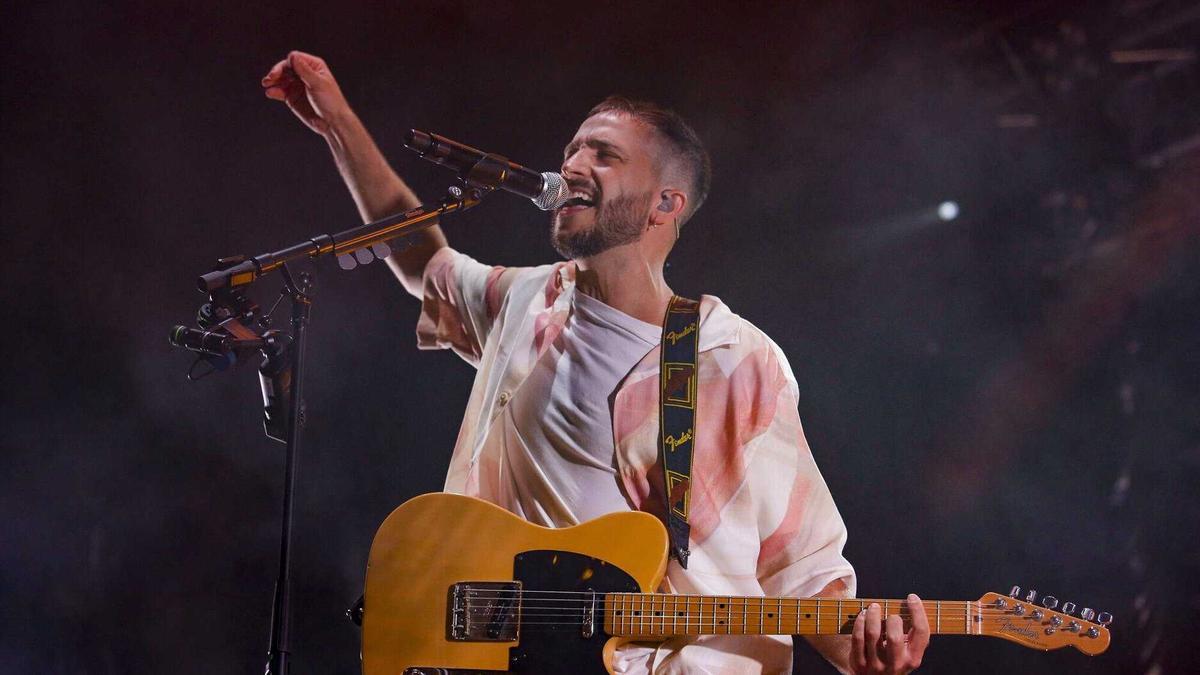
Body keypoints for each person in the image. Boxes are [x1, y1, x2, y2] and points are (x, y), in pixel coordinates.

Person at [262, 50, 930, 675]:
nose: (574, 165)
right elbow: (417, 252)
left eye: (603, 155)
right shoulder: (525, 302)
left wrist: (864, 653)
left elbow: (806, 563)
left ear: (665, 203)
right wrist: (338, 124)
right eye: (572, 149)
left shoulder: (734, 359)